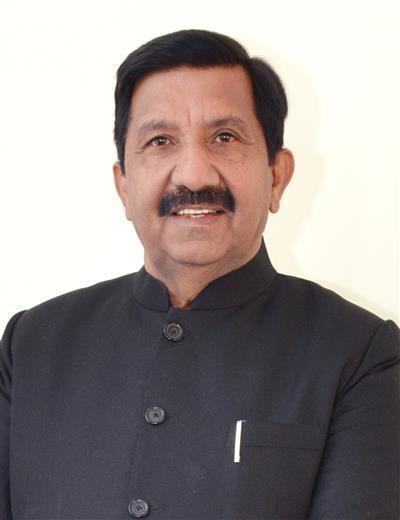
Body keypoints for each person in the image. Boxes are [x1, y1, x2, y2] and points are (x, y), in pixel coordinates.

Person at [0, 29, 398, 520]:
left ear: (277, 176)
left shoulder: (359, 355)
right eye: (160, 141)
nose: (194, 175)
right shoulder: (31, 346)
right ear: (123, 186)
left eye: (224, 138)